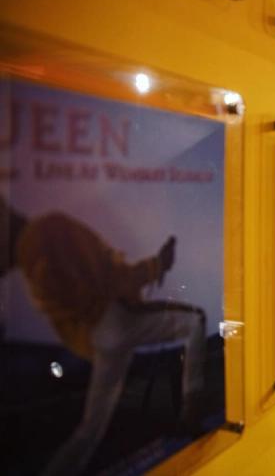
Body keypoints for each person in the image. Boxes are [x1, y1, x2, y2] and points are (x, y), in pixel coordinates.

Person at [1, 196, 206, 476]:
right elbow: (108, 278)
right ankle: (192, 412)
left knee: (90, 429)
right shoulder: (46, 232)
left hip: (102, 337)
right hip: (114, 322)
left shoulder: (32, 257)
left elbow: (91, 289)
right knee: (194, 322)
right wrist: (154, 267)